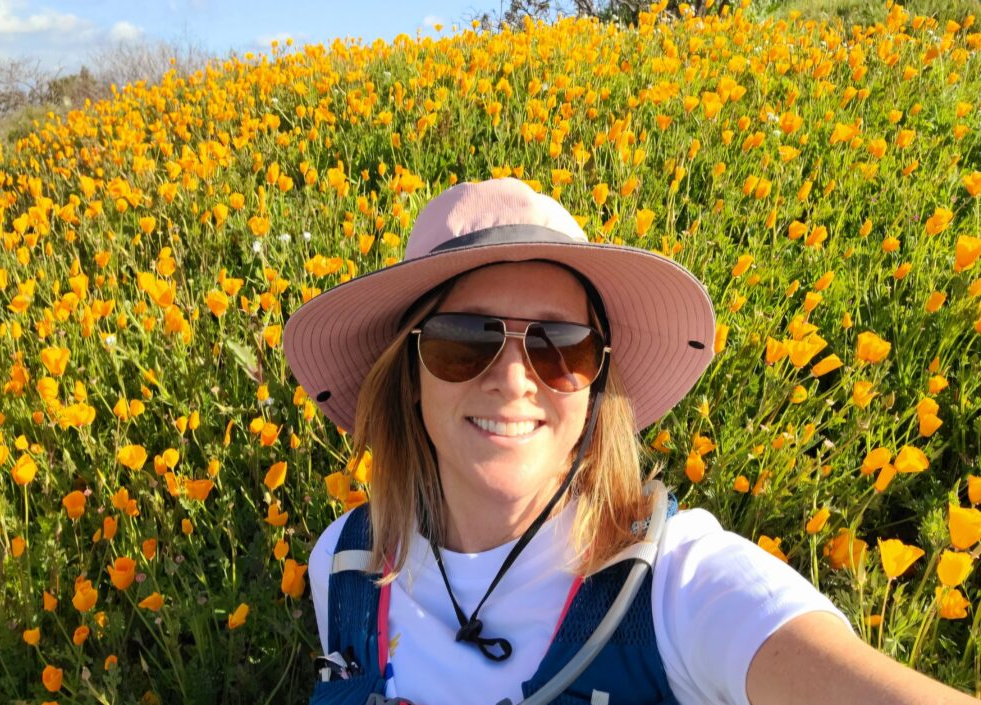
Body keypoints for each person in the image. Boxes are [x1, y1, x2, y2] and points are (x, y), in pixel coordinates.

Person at [283, 178, 975, 705]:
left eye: (561, 345)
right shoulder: (344, 563)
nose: (516, 377)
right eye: (465, 340)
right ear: (409, 375)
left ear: (597, 384)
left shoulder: (677, 586)